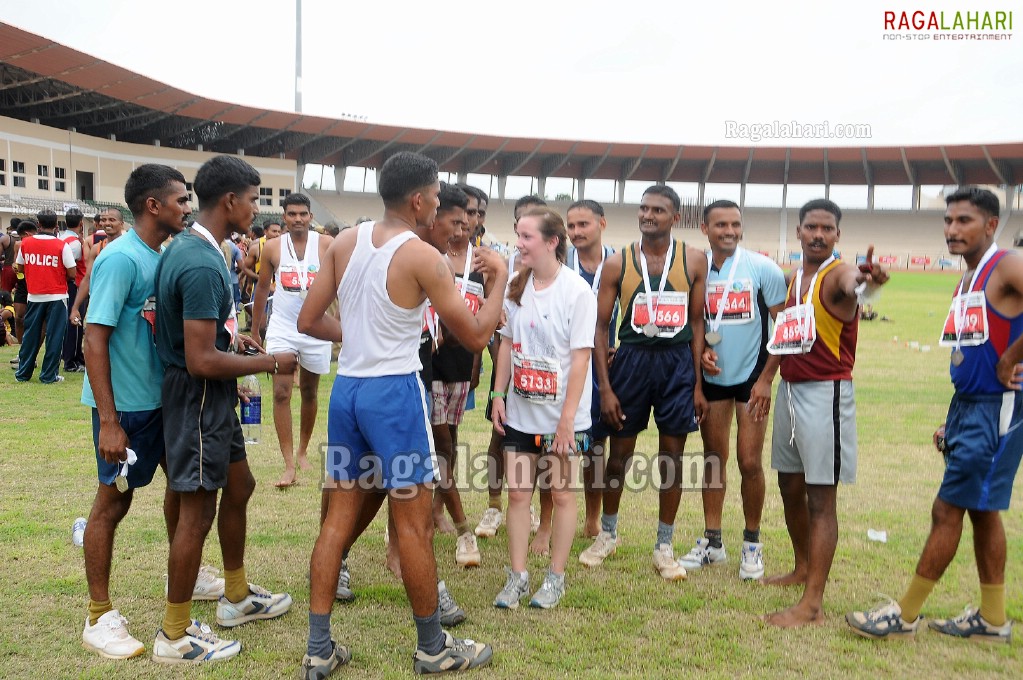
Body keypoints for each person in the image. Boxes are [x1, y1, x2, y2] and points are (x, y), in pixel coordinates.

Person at [297, 151, 502, 677]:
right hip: (394, 394)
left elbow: (308, 317)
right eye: (436, 199)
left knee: (336, 524)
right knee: (412, 527)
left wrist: (359, 336)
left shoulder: (345, 241)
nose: (439, 207)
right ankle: (433, 647)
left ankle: (318, 648)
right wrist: (500, 279)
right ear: (418, 200)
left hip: (349, 392)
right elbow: (477, 335)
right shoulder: (423, 258)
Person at [847, 187, 1020, 642]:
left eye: (963, 220)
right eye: (947, 221)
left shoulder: (1008, 266)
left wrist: (1011, 359)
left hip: (996, 408)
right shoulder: (968, 278)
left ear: (990, 225)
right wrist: (955, 416)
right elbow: (973, 346)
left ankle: (903, 616)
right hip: (970, 405)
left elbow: (1000, 353)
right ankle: (993, 619)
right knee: (983, 512)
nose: (951, 229)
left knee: (947, 510)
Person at [153, 155, 296, 664]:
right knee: (197, 510)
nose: (259, 209)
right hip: (197, 398)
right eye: (255, 199)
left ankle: (235, 597)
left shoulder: (207, 250)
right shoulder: (196, 260)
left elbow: (212, 342)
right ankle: (174, 635)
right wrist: (272, 361)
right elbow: (200, 359)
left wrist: (242, 350)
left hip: (212, 396)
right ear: (230, 201)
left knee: (240, 485)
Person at [79, 164, 205, 659]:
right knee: (112, 504)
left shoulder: (162, 255)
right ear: (153, 206)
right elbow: (94, 339)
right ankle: (98, 616)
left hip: (162, 402)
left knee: (184, 489)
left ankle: (187, 572)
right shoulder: (121, 260)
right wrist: (109, 422)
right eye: (180, 200)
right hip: (126, 410)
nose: (187, 208)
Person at [757, 198, 888, 627]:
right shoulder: (797, 278)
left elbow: (858, 286)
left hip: (825, 394)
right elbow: (787, 333)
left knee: (820, 498)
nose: (817, 234)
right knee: (789, 485)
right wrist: (766, 378)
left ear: (837, 235)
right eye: (810, 227)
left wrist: (871, 284)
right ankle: (801, 567)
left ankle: (812, 605)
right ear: (797, 231)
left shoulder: (837, 275)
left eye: (826, 228)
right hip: (791, 391)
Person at [578, 185, 708, 581]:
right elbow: (600, 328)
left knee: (672, 458)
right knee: (618, 457)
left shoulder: (695, 260)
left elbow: (699, 323)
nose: (648, 215)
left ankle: (664, 544)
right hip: (631, 363)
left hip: (676, 364)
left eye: (658, 210)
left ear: (676, 217)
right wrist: (607, 387)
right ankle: (609, 534)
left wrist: (699, 385)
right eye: (644, 209)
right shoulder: (619, 262)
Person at [491, 207, 596, 610]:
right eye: (517, 235)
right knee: (518, 495)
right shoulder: (516, 286)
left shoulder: (576, 292)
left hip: (563, 419)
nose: (518, 244)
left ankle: (555, 578)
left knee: (563, 494)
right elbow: (505, 343)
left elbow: (581, 359)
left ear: (552, 242)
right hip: (520, 414)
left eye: (527, 237)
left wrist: (568, 419)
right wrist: (499, 394)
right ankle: (517, 577)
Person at [676, 200, 786, 580]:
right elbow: (695, 324)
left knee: (750, 461)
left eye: (735, 224)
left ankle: (752, 544)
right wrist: (702, 354)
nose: (729, 231)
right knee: (713, 459)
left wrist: (767, 378)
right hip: (713, 380)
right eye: (720, 224)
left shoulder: (762, 269)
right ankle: (713, 542)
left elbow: (785, 328)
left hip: (753, 379)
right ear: (705, 229)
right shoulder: (696, 269)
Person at [475, 194, 548, 542]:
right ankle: (493, 506)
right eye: (522, 223)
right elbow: (493, 321)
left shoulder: (555, 270)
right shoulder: (503, 265)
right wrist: (499, 367)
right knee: (498, 436)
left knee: (538, 445)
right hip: (508, 369)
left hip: (545, 375)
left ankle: (526, 504)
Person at [250, 193, 332, 488]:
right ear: (284, 217)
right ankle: (287, 464)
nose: (298, 218)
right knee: (282, 392)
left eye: (303, 214)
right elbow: (261, 290)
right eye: (292, 214)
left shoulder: (325, 245)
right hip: (283, 327)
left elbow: (341, 284)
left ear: (311, 217)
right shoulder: (272, 247)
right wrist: (257, 328)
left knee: (309, 391)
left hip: (316, 326)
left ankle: (303, 450)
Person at [426, 183, 484, 567]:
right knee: (441, 444)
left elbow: (484, 326)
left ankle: (434, 510)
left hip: (462, 365)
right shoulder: (431, 256)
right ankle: (461, 528)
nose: (465, 224)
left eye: (474, 215)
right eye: (460, 217)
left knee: (451, 440)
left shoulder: (483, 262)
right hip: (429, 363)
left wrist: (477, 363)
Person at [565, 199, 617, 538]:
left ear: (602, 223)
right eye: (571, 226)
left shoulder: (620, 262)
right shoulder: (561, 261)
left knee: (596, 446)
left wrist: (621, 348)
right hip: (561, 364)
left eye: (583, 224)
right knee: (552, 443)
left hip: (601, 367)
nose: (576, 232)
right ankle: (548, 515)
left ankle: (592, 517)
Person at [15, 209, 75, 384]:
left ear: (38, 225)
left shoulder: (25, 243)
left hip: (34, 295)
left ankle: (23, 373)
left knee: (30, 336)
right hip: (57, 296)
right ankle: (48, 375)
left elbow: (20, 268)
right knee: (55, 337)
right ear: (57, 226)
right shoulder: (61, 245)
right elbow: (71, 272)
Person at [70, 209, 126, 328]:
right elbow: (88, 278)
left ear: (121, 223)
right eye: (103, 220)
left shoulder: (130, 245)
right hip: (101, 305)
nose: (107, 223)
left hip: (125, 306)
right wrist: (75, 307)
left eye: (112, 220)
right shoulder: (97, 248)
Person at [59, 207, 87, 372]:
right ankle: (71, 360)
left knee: (73, 322)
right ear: (81, 223)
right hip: (75, 285)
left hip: (70, 285)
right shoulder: (74, 243)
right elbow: (71, 267)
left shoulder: (62, 239)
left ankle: (75, 357)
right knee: (75, 322)